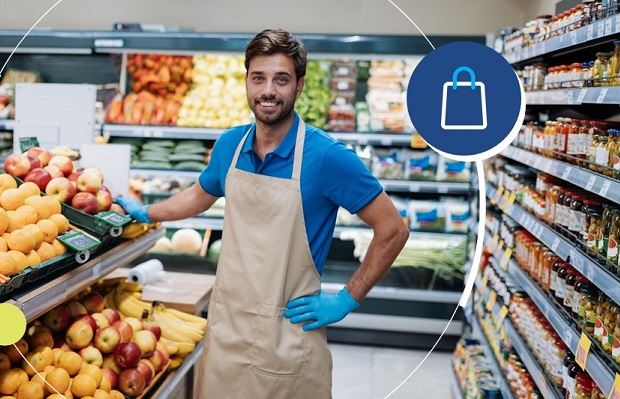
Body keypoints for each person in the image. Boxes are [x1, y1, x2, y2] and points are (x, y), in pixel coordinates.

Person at [116, 28, 409, 398]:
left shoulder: (328, 158)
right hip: (226, 335)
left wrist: (347, 298)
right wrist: (146, 212)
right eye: (259, 78)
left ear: (299, 86)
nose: (268, 90)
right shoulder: (230, 146)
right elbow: (198, 195)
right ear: (247, 82)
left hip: (287, 341)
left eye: (281, 79)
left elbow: (393, 229)